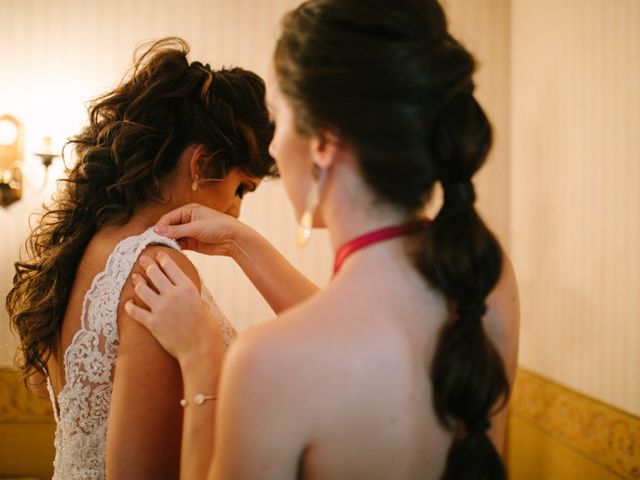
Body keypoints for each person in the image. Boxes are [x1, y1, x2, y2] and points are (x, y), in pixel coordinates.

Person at [126, 1, 520, 479]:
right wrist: (239, 241)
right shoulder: (485, 275)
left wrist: (201, 357)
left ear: (323, 143)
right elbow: (362, 333)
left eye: (279, 117)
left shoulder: (265, 363)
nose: (273, 146)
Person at [5, 37, 275, 479]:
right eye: (242, 186)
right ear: (201, 163)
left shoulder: (84, 247)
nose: (236, 210)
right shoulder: (157, 267)